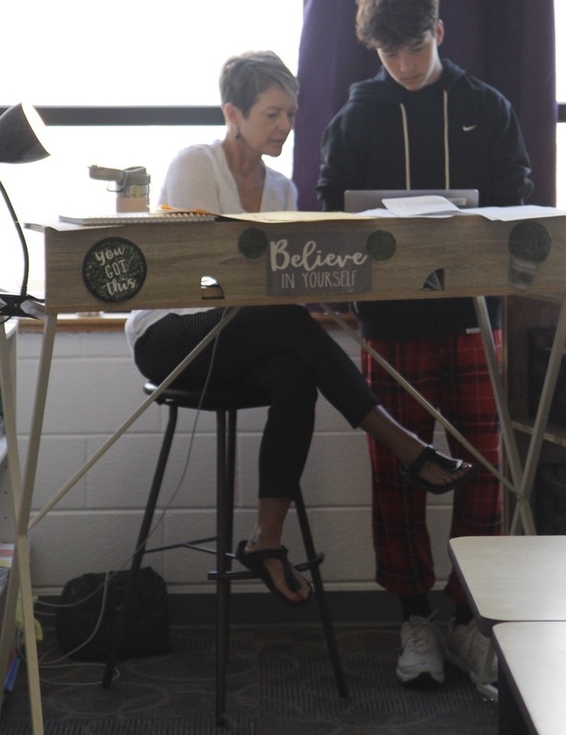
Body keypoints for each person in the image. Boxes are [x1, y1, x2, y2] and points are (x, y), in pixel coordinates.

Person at [125, 50, 476, 609]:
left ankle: (266, 542)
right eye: (272, 114)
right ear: (232, 114)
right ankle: (403, 443)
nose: (286, 126)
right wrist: (272, 290)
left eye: (291, 114)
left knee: (295, 374)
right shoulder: (196, 164)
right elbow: (195, 277)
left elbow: (267, 288)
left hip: (245, 337)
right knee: (285, 317)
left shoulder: (284, 191)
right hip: (171, 336)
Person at [317, 0, 533, 687]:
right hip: (391, 323)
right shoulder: (356, 114)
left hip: (472, 316)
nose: (403, 65)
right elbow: (330, 209)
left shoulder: (484, 106)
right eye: (388, 53)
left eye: (413, 47)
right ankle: (413, 619)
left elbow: (514, 197)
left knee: (484, 470)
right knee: (397, 470)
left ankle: (469, 620)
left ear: (437, 34)